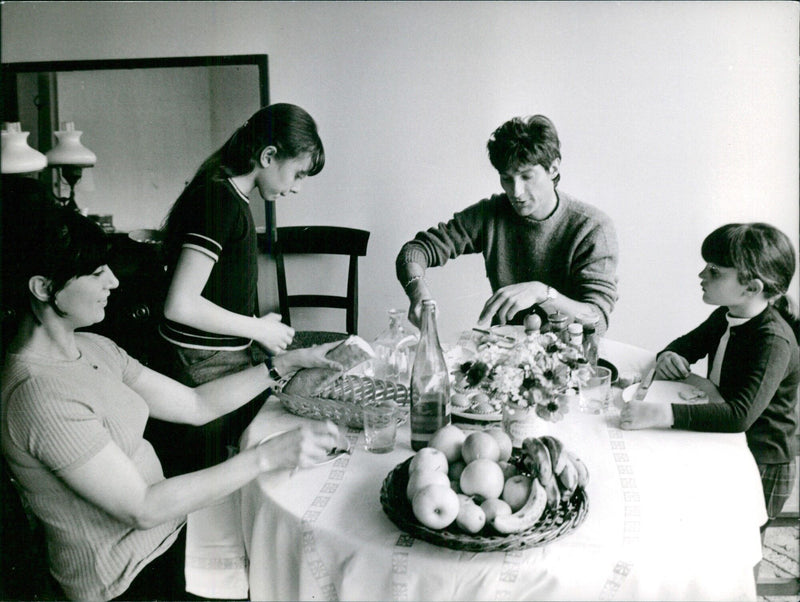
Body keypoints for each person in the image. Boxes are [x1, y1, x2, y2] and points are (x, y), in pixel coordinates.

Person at [0, 195, 344, 601]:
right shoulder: (37, 395)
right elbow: (141, 508)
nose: (113, 281)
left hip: (172, 533)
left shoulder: (92, 347)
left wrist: (284, 364)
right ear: (42, 287)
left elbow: (195, 406)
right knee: (297, 566)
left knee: (297, 553)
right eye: (96, 273)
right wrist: (266, 456)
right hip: (130, 576)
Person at [158, 103, 325, 470]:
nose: (297, 188)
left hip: (217, 359)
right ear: (268, 155)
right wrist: (257, 328)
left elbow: (209, 292)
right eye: (297, 175)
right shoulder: (220, 200)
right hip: (205, 368)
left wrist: (253, 322)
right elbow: (180, 304)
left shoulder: (225, 196)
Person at [620, 223, 799, 522]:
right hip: (723, 437)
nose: (702, 275)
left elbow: (739, 416)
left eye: (715, 271)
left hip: (762, 460)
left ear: (751, 287)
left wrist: (658, 414)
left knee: (742, 540)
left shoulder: (773, 341)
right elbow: (686, 345)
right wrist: (671, 355)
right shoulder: (727, 313)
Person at [395, 114, 619, 333]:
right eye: (506, 178)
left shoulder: (593, 228)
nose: (516, 192)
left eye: (526, 176)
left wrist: (542, 292)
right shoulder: (491, 213)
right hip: (504, 357)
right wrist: (418, 292)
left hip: (570, 361)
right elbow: (415, 250)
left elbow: (596, 320)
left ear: (553, 168)